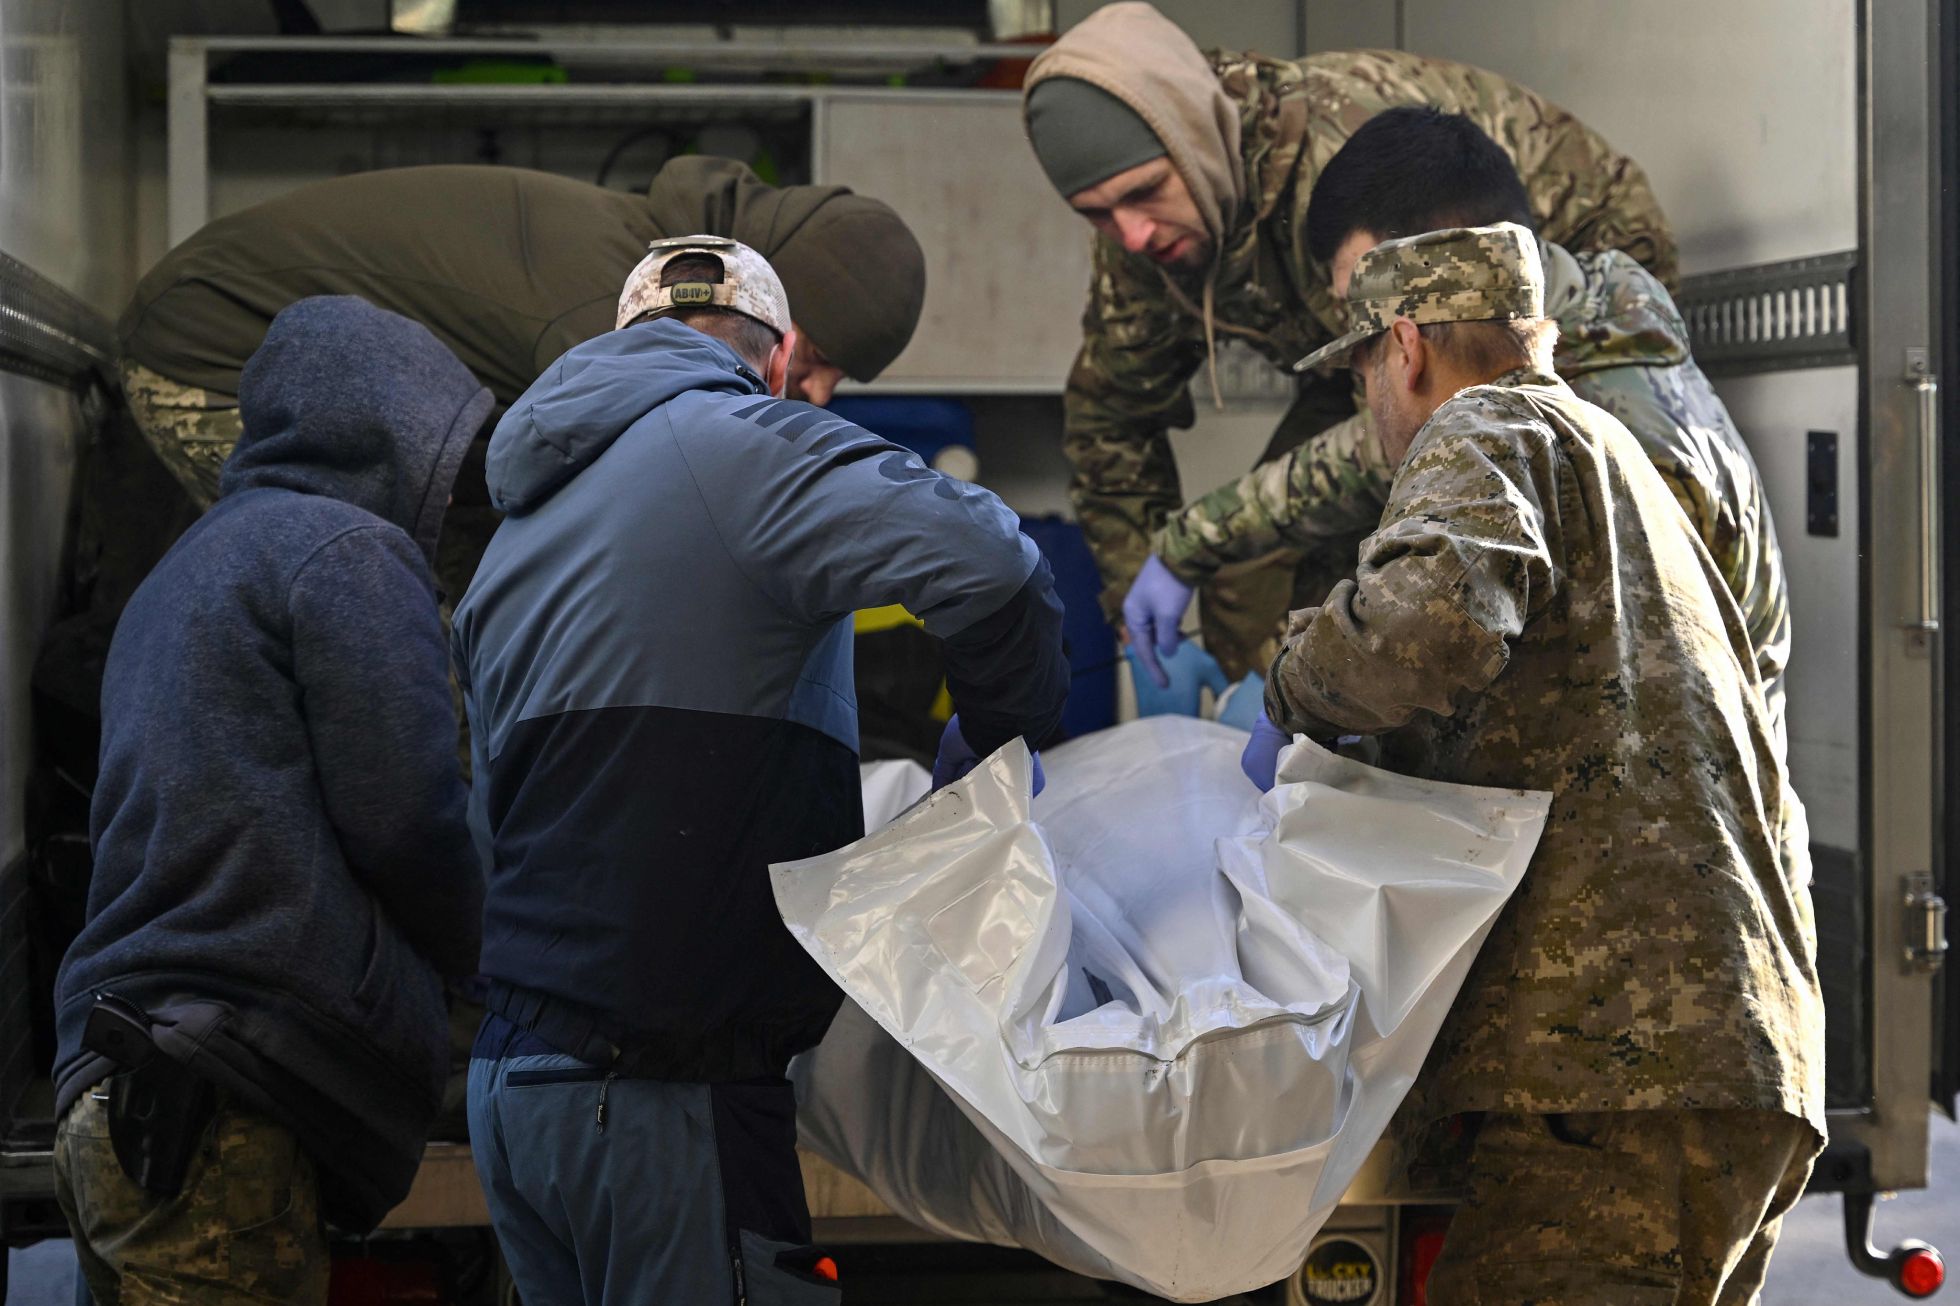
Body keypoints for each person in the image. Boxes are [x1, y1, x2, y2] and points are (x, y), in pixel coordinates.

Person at [454, 236, 1067, 1303]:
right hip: (660, 1095)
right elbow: (995, 564)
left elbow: (481, 828)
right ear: (780, 361)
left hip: (515, 1091)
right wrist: (994, 740)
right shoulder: (741, 441)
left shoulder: (512, 536)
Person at [1248, 224, 1823, 1303]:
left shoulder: (1488, 422)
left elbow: (1420, 632)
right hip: (1707, 1049)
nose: (1368, 403)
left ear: (1406, 346)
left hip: (1622, 1062)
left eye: (1363, 370)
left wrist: (1290, 683)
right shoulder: (1606, 450)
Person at [1021, 1, 1676, 684]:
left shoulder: (1339, 156)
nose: (1132, 232)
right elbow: (1111, 418)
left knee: (1433, 529)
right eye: (1096, 213)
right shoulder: (1139, 243)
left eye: (1147, 191)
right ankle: (1282, 727)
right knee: (1251, 572)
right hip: (1389, 336)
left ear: (1192, 139)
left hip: (1555, 306)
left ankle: (1364, 719)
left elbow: (1432, 407)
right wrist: (1138, 594)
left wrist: (1193, 542)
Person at [49, 296, 492, 1304]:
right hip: (222, 1098)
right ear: (396, 433)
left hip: (115, 1086)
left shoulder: (186, 564)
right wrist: (493, 967)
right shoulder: (345, 550)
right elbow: (406, 818)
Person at [1138, 107, 1798, 768]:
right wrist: (1185, 546)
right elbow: (1352, 461)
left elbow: (1615, 718)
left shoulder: (1603, 437)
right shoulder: (1533, 360)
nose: (1371, 356)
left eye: (1374, 317)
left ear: (1442, 272)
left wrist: (1305, 700)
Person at [118, 156, 927, 514]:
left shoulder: (668, 273)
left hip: (333, 382)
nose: (820, 393)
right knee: (386, 632)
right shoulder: (625, 311)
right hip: (210, 354)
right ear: (773, 296)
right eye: (819, 358)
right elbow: (652, 505)